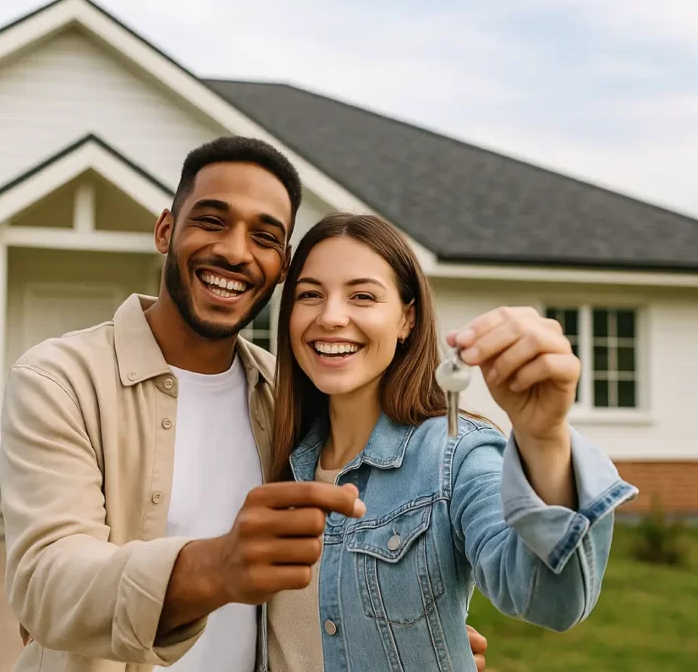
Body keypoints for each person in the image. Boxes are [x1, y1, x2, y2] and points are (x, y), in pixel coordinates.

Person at [0, 136, 490, 672]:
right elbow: (45, 581)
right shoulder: (61, 380)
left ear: (281, 266)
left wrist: (407, 632)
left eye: (264, 236)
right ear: (166, 230)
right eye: (212, 221)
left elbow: (340, 566)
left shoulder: (289, 394)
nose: (235, 251)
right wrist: (216, 568)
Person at [264, 212, 639, 671]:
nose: (331, 316)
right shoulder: (271, 452)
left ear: (407, 319)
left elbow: (551, 600)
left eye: (362, 295)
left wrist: (544, 438)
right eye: (310, 295)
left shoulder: (456, 454)